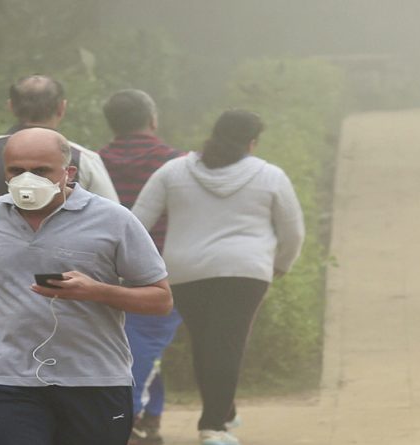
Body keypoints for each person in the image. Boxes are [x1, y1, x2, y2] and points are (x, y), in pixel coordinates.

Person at [0, 127, 173, 445]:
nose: (27, 179)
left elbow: (160, 299)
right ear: (5, 172)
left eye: (41, 170)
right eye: (16, 170)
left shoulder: (114, 220)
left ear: (68, 173)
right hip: (5, 377)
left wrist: (97, 291)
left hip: (95, 378)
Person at [131, 110, 305, 445]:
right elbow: (293, 231)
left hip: (185, 271)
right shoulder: (270, 175)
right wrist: (281, 264)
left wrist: (138, 267)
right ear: (252, 142)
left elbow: (136, 223)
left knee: (206, 342)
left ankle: (222, 412)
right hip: (246, 270)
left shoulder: (173, 171)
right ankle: (213, 427)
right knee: (227, 344)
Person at [0, 74, 118, 271]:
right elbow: (111, 225)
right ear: (62, 107)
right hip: (70, 283)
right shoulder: (85, 158)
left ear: (11, 107)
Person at [98, 89, 185, 445]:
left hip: (104, 269)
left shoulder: (93, 162)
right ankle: (128, 417)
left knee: (137, 345)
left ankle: (149, 417)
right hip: (165, 267)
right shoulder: (176, 162)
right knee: (145, 344)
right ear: (153, 120)